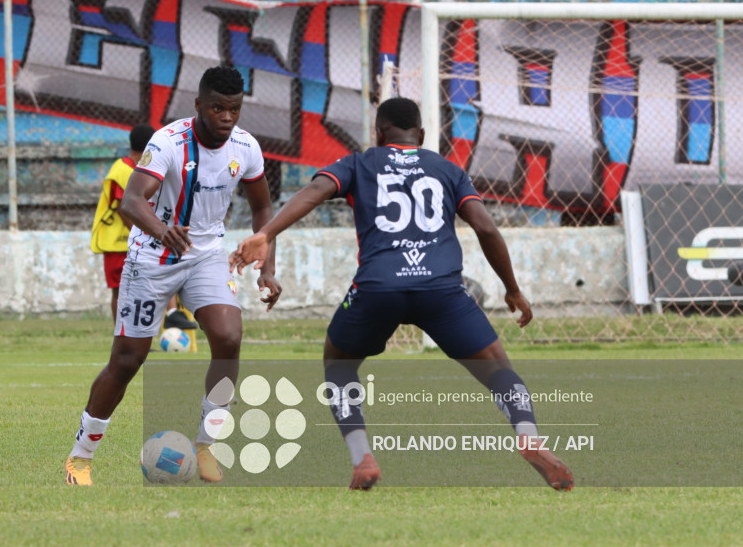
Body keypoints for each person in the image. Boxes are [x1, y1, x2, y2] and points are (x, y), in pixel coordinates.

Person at [230, 97, 574, 491]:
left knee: (338, 368)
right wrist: (512, 289)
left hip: (378, 288)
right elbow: (486, 229)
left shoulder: (359, 164)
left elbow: (314, 192)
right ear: (422, 135)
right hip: (442, 289)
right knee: (500, 372)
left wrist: (266, 233)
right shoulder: (448, 169)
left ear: (378, 133)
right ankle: (529, 437)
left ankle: (362, 459)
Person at [65, 66, 282, 486]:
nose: (226, 117)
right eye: (217, 107)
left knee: (229, 337)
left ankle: (206, 445)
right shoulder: (167, 141)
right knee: (128, 360)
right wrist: (162, 230)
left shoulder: (247, 147)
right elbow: (132, 200)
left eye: (234, 109)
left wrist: (266, 269)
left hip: (207, 256)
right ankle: (80, 457)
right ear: (199, 105)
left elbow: (262, 212)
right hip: (151, 258)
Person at [90, 124, 196, 331]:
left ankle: (168, 317)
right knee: (121, 291)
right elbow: (125, 209)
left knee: (158, 275)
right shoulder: (122, 171)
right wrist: (147, 233)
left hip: (137, 239)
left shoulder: (143, 170)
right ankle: (122, 333)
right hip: (117, 243)